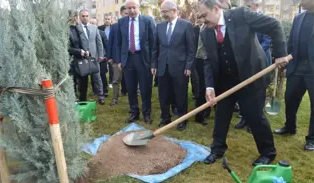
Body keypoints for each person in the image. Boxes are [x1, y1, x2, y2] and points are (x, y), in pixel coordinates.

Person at [197, 0, 289, 166]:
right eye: (200, 17)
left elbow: (274, 25)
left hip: (251, 76)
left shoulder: (241, 15)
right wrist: (210, 86)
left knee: (254, 116)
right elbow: (208, 61)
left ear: (216, 9)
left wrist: (280, 53)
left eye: (204, 15)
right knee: (221, 116)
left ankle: (268, 152)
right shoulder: (205, 32)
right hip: (225, 81)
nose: (203, 20)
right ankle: (217, 149)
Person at [274, 0, 314, 151]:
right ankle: (290, 127)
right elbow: (291, 42)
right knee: (290, 98)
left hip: (313, 69)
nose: (300, 2)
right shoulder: (298, 18)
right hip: (296, 66)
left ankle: (312, 139)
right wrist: (287, 63)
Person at [152, 0, 195, 131]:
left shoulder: (186, 25)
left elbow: (191, 49)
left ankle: (182, 120)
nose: (163, 14)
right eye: (162, 11)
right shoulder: (159, 27)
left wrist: (188, 66)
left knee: (180, 95)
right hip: (162, 67)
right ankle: (165, 118)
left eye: (165, 11)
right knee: (163, 94)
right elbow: (155, 48)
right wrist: (153, 64)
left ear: (174, 11)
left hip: (180, 68)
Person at [235, 0, 272, 131]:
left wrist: (254, 54)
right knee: (245, 91)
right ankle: (245, 119)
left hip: (260, 63)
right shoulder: (244, 21)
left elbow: (267, 41)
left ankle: (255, 122)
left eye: (248, 7)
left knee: (258, 93)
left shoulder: (263, 19)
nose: (246, 10)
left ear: (256, 6)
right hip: (245, 63)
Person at [117, 0, 155, 124]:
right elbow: (119, 42)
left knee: (145, 88)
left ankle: (146, 114)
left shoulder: (148, 21)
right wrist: (119, 60)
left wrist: (153, 62)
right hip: (128, 59)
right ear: (126, 9)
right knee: (131, 88)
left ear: (139, 8)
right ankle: (134, 113)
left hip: (143, 59)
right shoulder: (122, 22)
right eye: (129, 8)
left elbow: (153, 43)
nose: (132, 10)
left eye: (134, 7)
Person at [69, 9, 105, 104]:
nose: (85, 17)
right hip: (82, 58)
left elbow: (99, 42)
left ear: (89, 16)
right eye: (83, 16)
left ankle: (101, 96)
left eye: (87, 16)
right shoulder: (76, 29)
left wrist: (101, 55)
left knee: (97, 77)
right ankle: (82, 97)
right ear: (80, 17)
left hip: (94, 57)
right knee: (83, 79)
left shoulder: (94, 28)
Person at [107, 6, 129, 106]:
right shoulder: (115, 27)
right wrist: (110, 57)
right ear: (121, 14)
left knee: (131, 79)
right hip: (117, 58)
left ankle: (133, 97)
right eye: (125, 13)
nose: (127, 15)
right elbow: (110, 43)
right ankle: (115, 98)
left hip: (130, 58)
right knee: (116, 79)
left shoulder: (133, 26)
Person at [90, 18, 109, 97]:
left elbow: (106, 45)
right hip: (92, 58)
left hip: (101, 58)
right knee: (92, 75)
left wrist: (105, 56)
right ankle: (95, 90)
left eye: (94, 23)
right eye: (91, 23)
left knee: (102, 74)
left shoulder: (102, 33)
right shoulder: (88, 33)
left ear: (97, 24)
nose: (93, 25)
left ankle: (105, 90)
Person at [98, 14, 114, 89]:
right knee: (103, 68)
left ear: (111, 20)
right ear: (103, 20)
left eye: (108, 19)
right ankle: (103, 84)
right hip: (103, 50)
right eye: (106, 19)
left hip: (111, 49)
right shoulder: (99, 28)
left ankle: (111, 81)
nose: (107, 20)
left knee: (111, 66)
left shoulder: (114, 28)